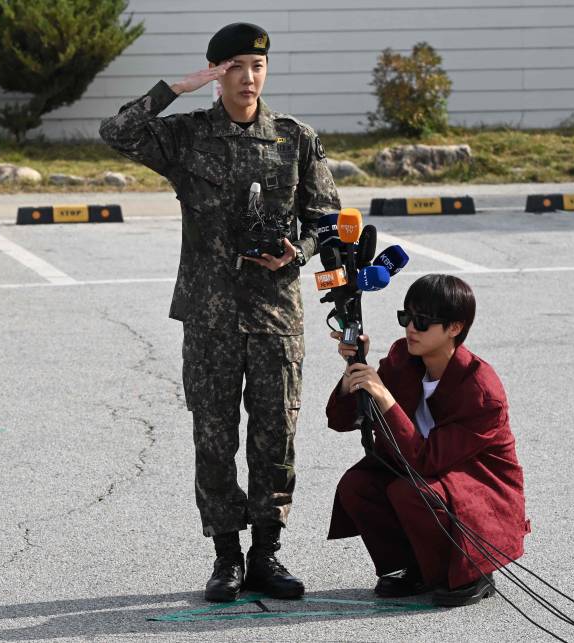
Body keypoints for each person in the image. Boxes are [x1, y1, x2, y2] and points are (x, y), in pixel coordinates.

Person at [99, 23, 341, 603]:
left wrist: (297, 251)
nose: (248, 78)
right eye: (234, 67)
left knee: (275, 436)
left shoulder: (295, 139)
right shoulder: (187, 138)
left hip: (275, 315)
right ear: (216, 73)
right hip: (210, 319)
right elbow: (116, 131)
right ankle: (227, 557)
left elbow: (326, 219)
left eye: (257, 66)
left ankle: (267, 553)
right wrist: (176, 88)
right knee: (213, 439)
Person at [326, 274, 530, 607]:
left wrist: (384, 397)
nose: (411, 329)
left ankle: (472, 571)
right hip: (427, 477)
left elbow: (425, 460)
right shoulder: (402, 358)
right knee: (358, 484)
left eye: (422, 322)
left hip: (479, 493)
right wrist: (353, 374)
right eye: (406, 317)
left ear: (454, 328)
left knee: (410, 490)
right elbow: (339, 421)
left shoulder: (481, 391)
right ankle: (414, 568)